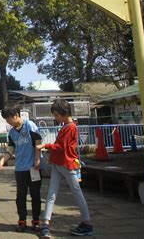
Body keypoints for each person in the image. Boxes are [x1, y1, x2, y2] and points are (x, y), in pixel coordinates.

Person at [36, 99, 94, 238]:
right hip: (59, 163)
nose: (55, 118)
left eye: (56, 115)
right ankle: (46, 223)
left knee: (75, 192)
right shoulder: (67, 126)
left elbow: (60, 147)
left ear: (63, 113)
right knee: (52, 194)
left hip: (66, 164)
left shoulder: (70, 127)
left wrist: (45, 146)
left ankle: (87, 223)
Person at [0, 107, 43, 232]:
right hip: (20, 168)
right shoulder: (12, 132)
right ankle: (22, 220)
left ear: (16, 115)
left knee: (35, 195)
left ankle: (36, 220)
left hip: (33, 167)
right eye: (6, 119)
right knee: (20, 195)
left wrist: (37, 159)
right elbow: (11, 149)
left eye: (9, 118)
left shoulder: (30, 125)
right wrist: (3, 160)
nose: (8, 121)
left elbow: (38, 142)